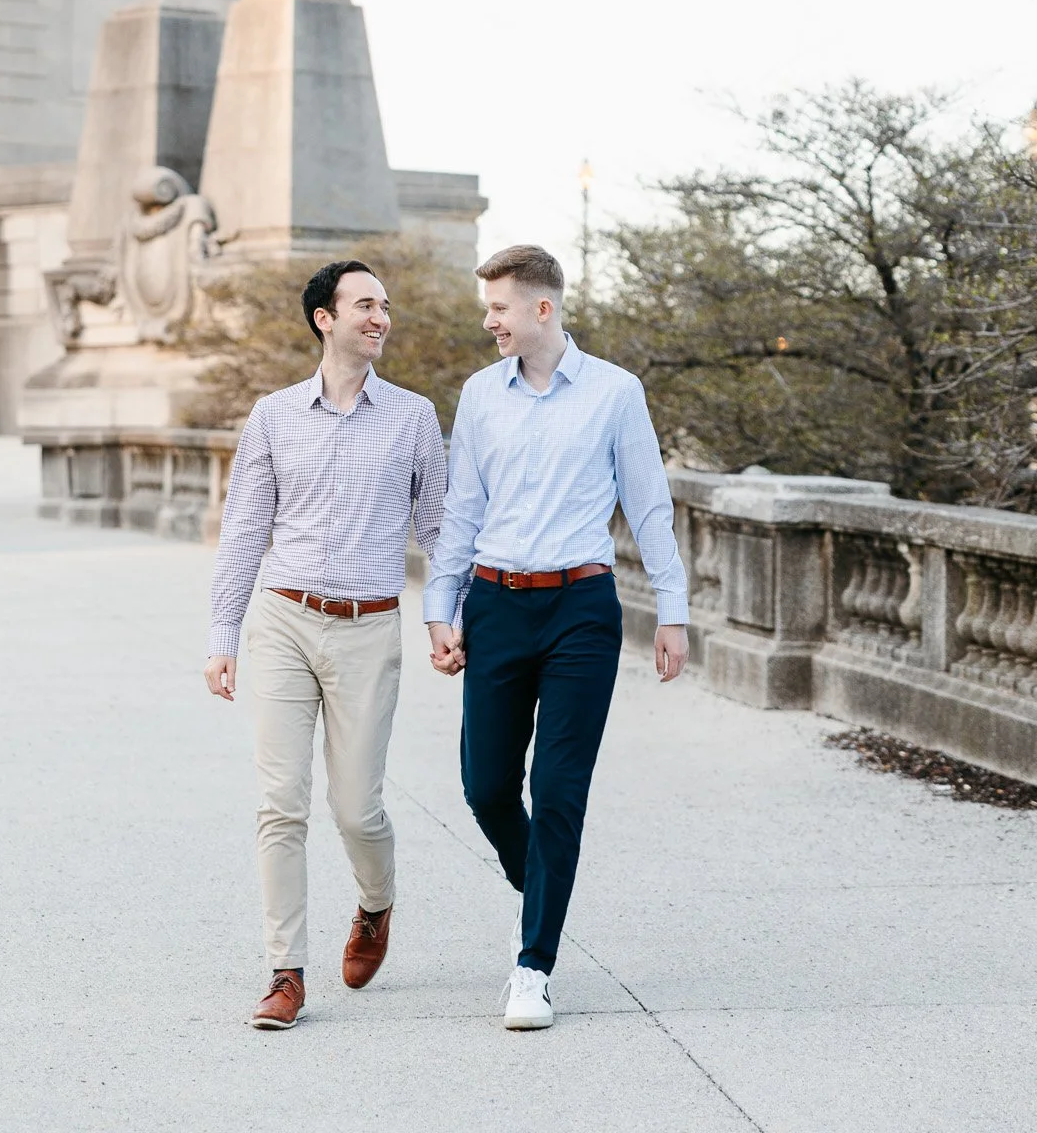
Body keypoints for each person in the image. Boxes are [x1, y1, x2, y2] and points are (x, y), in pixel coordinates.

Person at [424, 243, 689, 1031]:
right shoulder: (480, 395)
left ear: (543, 308)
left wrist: (671, 610)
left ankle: (532, 965)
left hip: (582, 608)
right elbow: (461, 510)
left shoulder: (615, 393)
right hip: (497, 604)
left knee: (561, 792)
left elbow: (649, 508)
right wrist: (443, 606)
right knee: (486, 788)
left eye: (499, 307)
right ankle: (543, 889)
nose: (488, 321)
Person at [206, 259, 447, 1030]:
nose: (382, 318)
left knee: (357, 809)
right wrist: (223, 634)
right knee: (280, 803)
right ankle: (286, 971)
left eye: (387, 306)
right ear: (325, 318)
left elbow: (441, 530)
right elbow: (244, 528)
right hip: (282, 618)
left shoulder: (413, 418)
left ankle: (375, 905)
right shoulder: (273, 415)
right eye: (366, 305)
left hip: (369, 628)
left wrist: (448, 617)